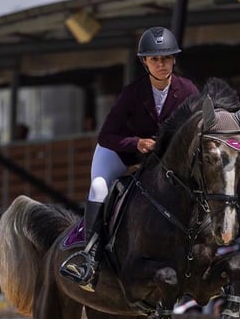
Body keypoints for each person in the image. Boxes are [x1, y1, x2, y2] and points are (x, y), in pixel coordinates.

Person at [60, 26, 200, 291]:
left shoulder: (188, 91)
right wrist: (136, 142)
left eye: (166, 58)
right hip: (120, 153)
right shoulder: (132, 93)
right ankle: (89, 257)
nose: (161, 64)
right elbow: (106, 136)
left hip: (160, 162)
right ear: (144, 62)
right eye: (155, 59)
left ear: (174, 59)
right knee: (100, 187)